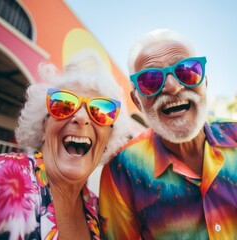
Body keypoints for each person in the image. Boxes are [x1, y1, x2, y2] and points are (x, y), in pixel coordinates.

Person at [99, 28, 237, 239]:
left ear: (205, 82)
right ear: (137, 101)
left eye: (186, 71)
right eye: (151, 80)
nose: (172, 87)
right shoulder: (123, 170)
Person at [0, 49, 132, 240]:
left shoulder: (100, 214)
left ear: (107, 139)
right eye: (63, 104)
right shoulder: (3, 176)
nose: (82, 117)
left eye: (100, 110)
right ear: (44, 127)